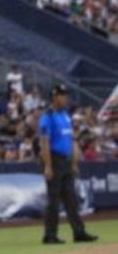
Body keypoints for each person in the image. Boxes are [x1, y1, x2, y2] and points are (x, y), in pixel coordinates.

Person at [38, 84, 98, 244]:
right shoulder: (47, 117)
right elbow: (45, 143)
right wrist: (48, 165)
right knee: (54, 199)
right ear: (55, 97)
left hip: (65, 160)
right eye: (63, 95)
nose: (66, 98)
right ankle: (49, 235)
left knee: (71, 198)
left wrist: (74, 162)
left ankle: (79, 232)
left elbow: (70, 140)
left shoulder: (65, 115)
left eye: (66, 95)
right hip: (54, 159)